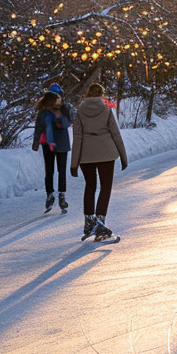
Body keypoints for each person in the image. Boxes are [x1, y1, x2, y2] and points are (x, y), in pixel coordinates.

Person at [70, 83, 128, 241]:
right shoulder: (106, 109)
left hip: (86, 155)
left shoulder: (80, 112)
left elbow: (77, 137)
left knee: (90, 186)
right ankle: (100, 221)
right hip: (106, 153)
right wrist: (123, 156)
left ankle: (89, 221)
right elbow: (115, 133)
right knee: (105, 186)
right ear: (101, 94)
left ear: (87, 94)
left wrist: (74, 163)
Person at [32, 89, 70, 212]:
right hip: (47, 144)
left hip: (61, 143)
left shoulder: (63, 109)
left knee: (61, 170)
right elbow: (38, 126)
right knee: (49, 170)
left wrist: (59, 116)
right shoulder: (43, 112)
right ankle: (50, 195)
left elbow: (66, 123)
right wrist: (36, 141)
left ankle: (62, 195)